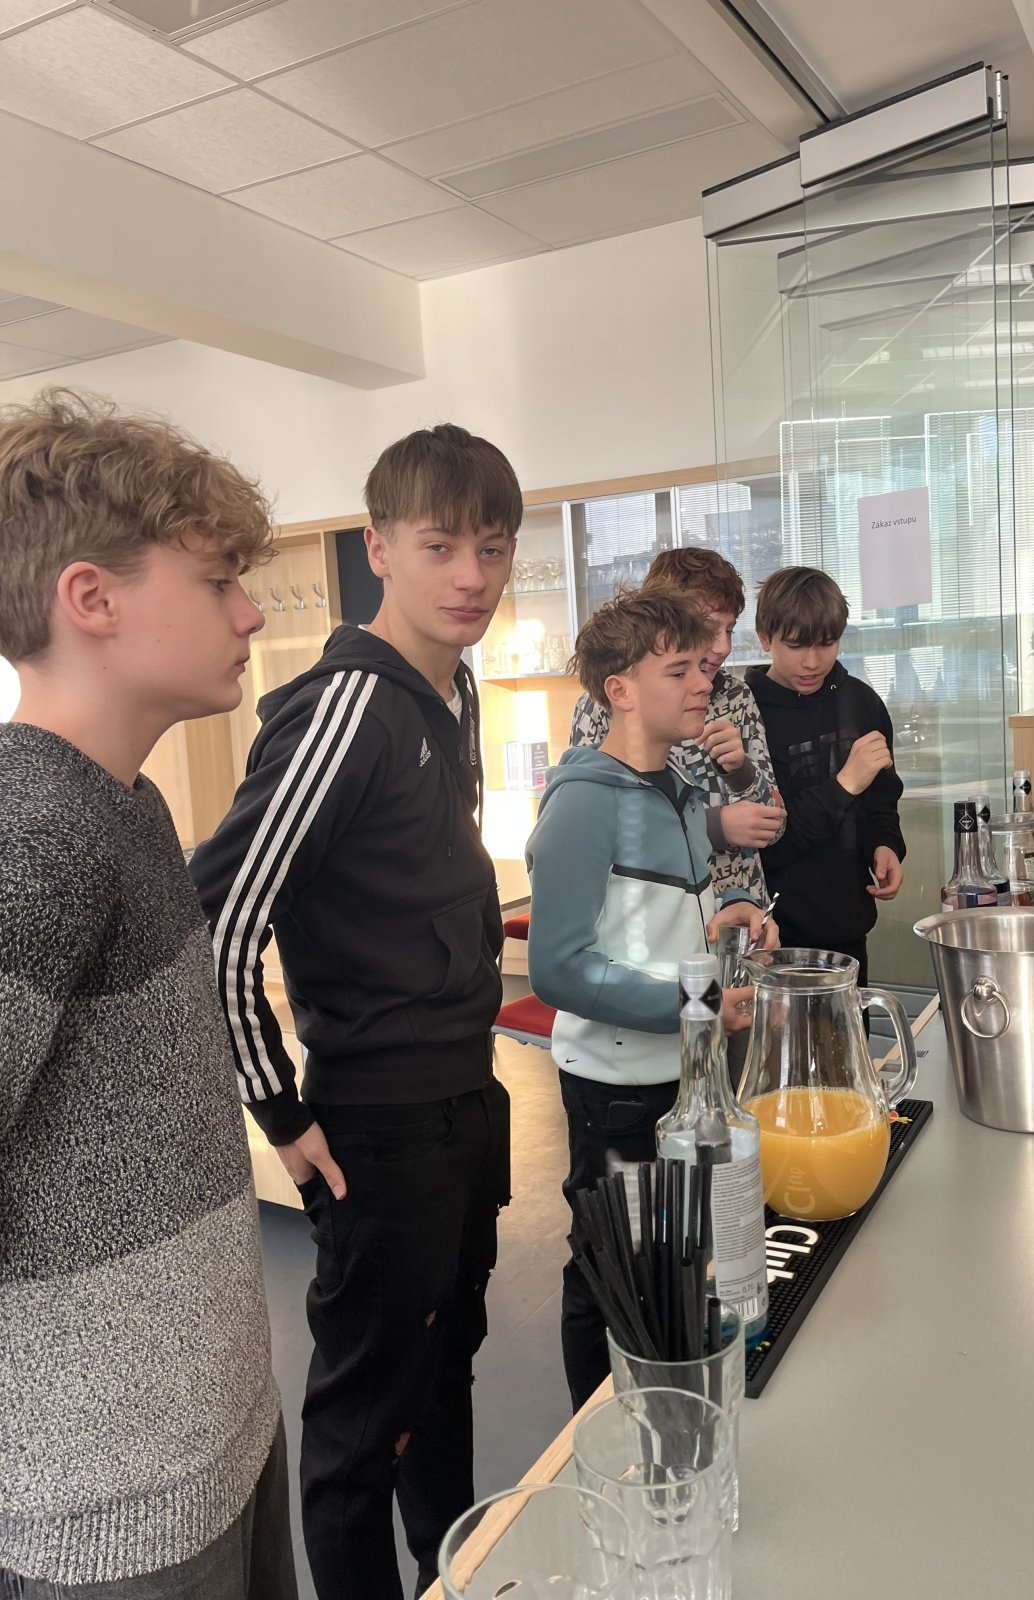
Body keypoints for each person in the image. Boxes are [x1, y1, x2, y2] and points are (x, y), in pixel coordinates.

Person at [189, 425, 520, 1600]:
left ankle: (454, 1574)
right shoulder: (345, 707)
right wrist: (279, 1111)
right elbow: (217, 925)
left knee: (446, 1370)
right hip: (376, 1122)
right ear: (378, 548)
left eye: (492, 548)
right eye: (439, 546)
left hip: (464, 1095)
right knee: (360, 1421)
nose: (471, 576)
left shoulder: (450, 689)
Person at [0, 390, 296, 1599]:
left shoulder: (125, 803)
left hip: (215, 1428)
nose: (251, 611)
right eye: (218, 581)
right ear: (92, 598)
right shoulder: (33, 833)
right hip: (106, 1507)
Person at [526, 591, 776, 1411]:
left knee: (670, 1261)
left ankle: (666, 1413)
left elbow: (659, 919)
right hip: (616, 1089)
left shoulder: (675, 788)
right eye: (679, 670)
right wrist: (696, 1000)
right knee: (610, 1273)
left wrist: (727, 914)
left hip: (683, 1074)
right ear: (620, 690)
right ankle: (597, 1432)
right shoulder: (583, 804)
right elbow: (559, 970)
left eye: (702, 666)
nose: (704, 683)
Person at [569, 547, 783, 902]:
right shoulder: (604, 704)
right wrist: (715, 826)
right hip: (658, 913)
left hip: (743, 909)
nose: (723, 647)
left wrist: (740, 771)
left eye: (730, 629)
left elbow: (775, 825)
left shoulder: (736, 696)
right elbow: (592, 831)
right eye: (709, 628)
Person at [745, 567, 905, 984]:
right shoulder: (748, 717)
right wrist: (844, 785)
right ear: (764, 638)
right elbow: (767, 846)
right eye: (796, 645)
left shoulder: (861, 703)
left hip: (849, 933)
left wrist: (885, 845)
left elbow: (882, 799)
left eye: (827, 643)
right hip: (772, 942)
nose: (812, 662)